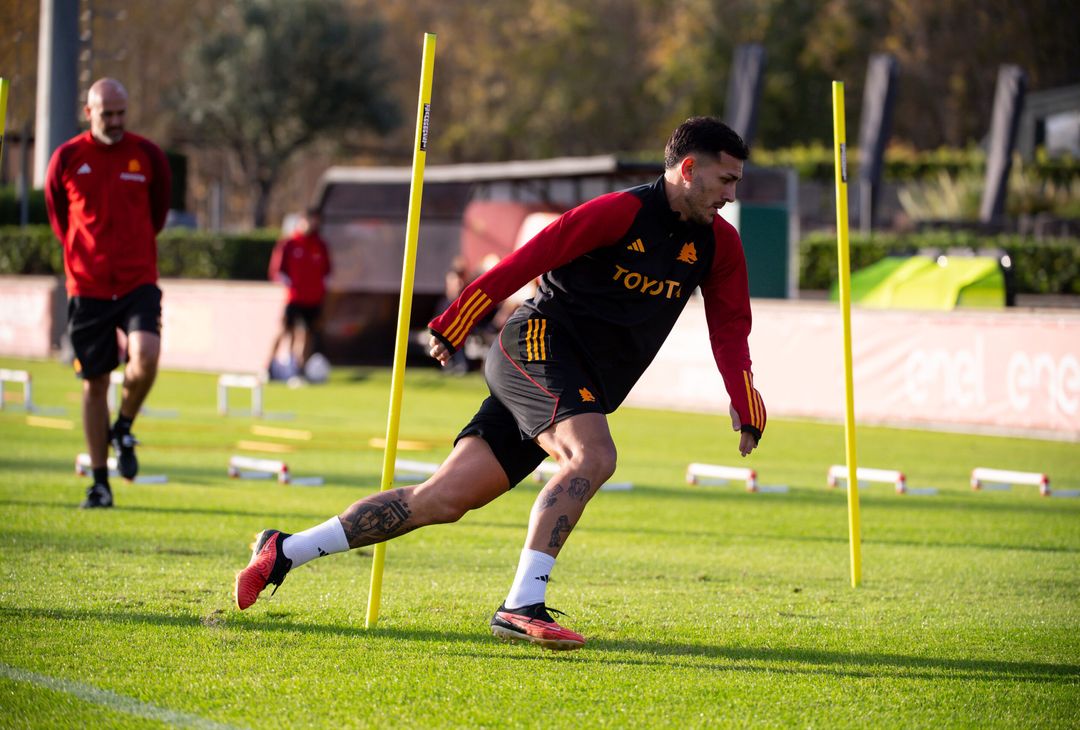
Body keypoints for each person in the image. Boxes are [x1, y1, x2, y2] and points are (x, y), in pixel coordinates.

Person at [234, 117, 766, 651]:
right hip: (535, 344)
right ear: (689, 169)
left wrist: (743, 402)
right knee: (592, 456)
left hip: (578, 381)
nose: (731, 194)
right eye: (726, 180)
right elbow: (529, 259)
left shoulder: (722, 246)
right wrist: (459, 317)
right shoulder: (621, 212)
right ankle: (521, 605)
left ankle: (285, 550)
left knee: (440, 501)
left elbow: (730, 327)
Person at [45, 78, 172, 509]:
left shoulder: (147, 155)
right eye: (107, 114)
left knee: (147, 356)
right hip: (88, 286)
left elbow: (158, 213)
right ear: (89, 112)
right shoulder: (66, 158)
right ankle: (100, 483)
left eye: (121, 113)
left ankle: (125, 424)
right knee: (94, 382)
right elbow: (60, 220)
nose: (115, 122)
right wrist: (88, 257)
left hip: (138, 280)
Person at [265, 208, 332, 380]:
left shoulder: (320, 245)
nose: (313, 223)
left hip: (314, 299)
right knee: (284, 330)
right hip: (294, 298)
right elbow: (277, 271)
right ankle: (267, 366)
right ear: (302, 220)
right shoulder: (289, 244)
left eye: (316, 220)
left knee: (307, 334)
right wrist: (293, 286)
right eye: (310, 220)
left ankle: (298, 369)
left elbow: (327, 272)